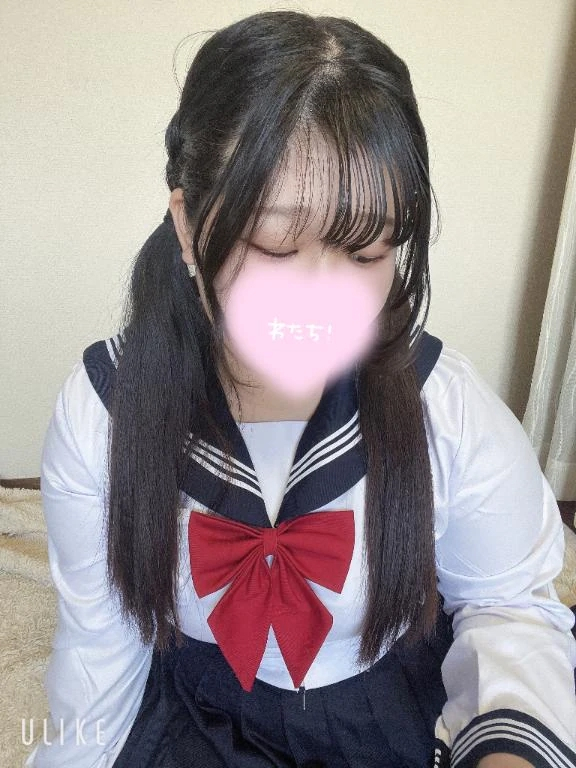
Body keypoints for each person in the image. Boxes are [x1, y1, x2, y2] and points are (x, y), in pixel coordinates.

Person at [27, 10, 576, 768]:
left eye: (366, 249)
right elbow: (95, 659)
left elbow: (508, 603)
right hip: (196, 716)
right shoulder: (104, 413)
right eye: (276, 244)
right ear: (187, 226)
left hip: (384, 717)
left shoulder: (443, 408)